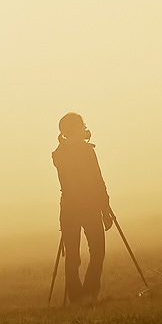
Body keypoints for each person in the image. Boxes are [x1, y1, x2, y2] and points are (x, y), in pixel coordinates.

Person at [52, 112, 114, 303]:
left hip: (69, 209)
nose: (85, 129)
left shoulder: (57, 153)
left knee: (72, 256)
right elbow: (97, 180)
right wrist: (105, 208)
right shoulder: (86, 152)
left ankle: (77, 297)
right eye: (82, 126)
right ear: (75, 129)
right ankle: (88, 293)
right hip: (89, 207)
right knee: (97, 252)